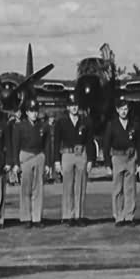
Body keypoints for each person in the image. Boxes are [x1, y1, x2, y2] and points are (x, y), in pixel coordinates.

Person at [49, 91, 93, 226]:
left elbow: (90, 141)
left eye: (76, 105)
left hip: (81, 155)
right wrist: (56, 161)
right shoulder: (61, 122)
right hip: (67, 155)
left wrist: (91, 159)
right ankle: (68, 215)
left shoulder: (86, 121)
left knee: (80, 186)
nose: (74, 107)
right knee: (68, 186)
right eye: (72, 105)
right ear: (67, 107)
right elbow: (56, 142)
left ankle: (79, 215)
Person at [7, 97, 49, 226]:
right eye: (31, 111)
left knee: (38, 189)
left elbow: (47, 145)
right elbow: (15, 145)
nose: (34, 113)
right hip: (25, 157)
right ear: (26, 112)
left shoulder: (43, 126)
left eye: (36, 110)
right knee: (25, 189)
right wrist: (15, 163)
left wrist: (48, 163)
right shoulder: (19, 127)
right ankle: (26, 218)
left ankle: (37, 218)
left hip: (39, 156)